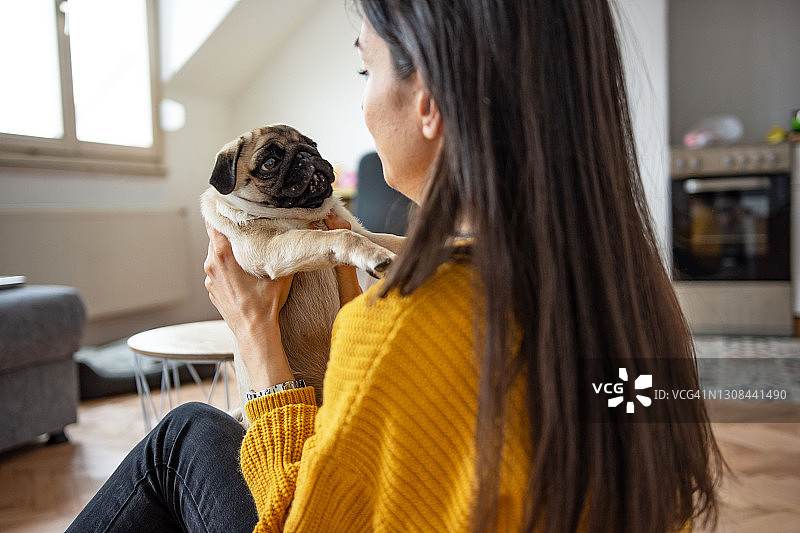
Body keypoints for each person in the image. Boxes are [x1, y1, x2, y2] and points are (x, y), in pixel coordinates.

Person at [67, 0, 722, 531]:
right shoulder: (629, 293)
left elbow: (300, 522)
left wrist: (257, 339)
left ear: (429, 98)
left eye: (365, 70)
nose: (362, 102)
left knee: (180, 434)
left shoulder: (401, 330)